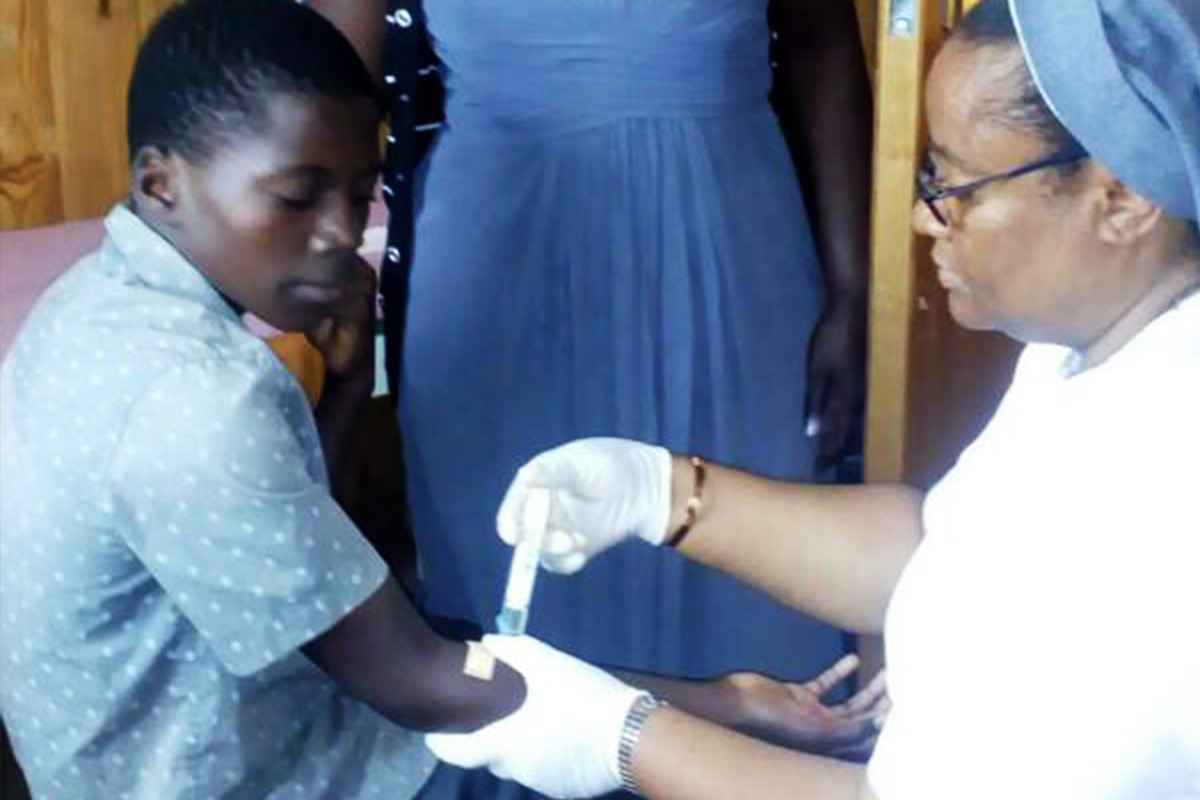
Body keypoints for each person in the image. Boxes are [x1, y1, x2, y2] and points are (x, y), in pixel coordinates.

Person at [0, 1, 885, 797]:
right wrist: (731, 705)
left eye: (359, 197)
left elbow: (301, 543)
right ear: (162, 182)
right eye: (297, 197)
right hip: (273, 765)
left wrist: (348, 388)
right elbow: (421, 680)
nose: (343, 237)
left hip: (186, 744)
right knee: (537, 723)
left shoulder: (81, 309)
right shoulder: (200, 399)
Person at [421, 0, 1200, 797]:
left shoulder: (1162, 487)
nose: (921, 218)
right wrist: (667, 492)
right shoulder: (1092, 354)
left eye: (957, 186)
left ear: (1125, 196)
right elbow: (943, 553)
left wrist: (623, 736)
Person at [308, 0, 873, 697]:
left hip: (740, 265)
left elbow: (823, 45)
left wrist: (853, 295)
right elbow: (320, 76)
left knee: (751, 571)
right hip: (499, 283)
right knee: (525, 603)